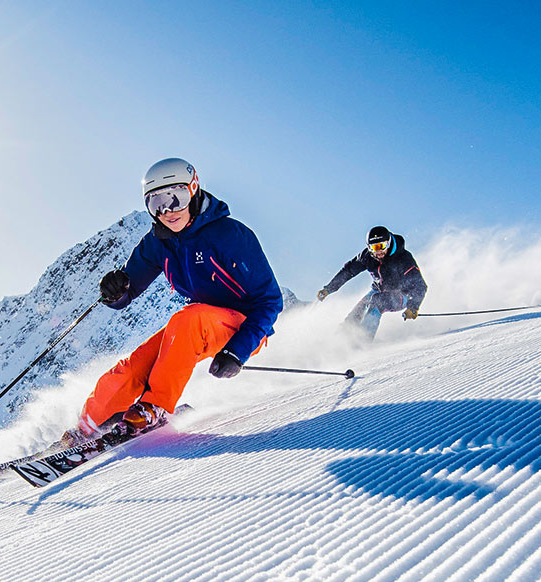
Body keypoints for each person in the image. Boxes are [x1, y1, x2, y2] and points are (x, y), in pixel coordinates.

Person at [67, 158, 283, 445]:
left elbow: (269, 301)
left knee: (187, 318)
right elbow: (128, 291)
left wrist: (237, 351)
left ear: (193, 190)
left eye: (176, 198)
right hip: (194, 327)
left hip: (243, 327)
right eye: (156, 203)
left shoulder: (230, 235)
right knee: (134, 366)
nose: (167, 211)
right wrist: (116, 291)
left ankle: (153, 408)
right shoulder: (159, 242)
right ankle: (85, 429)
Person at [316, 225, 428, 339]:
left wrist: (413, 307)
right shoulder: (367, 257)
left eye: (382, 246)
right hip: (378, 290)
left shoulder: (403, 258)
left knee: (377, 301)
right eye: (375, 248)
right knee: (362, 305)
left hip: (403, 294)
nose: (379, 251)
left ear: (388, 243)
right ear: (369, 248)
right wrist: (328, 289)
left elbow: (420, 285)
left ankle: (362, 340)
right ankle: (343, 335)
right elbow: (348, 271)